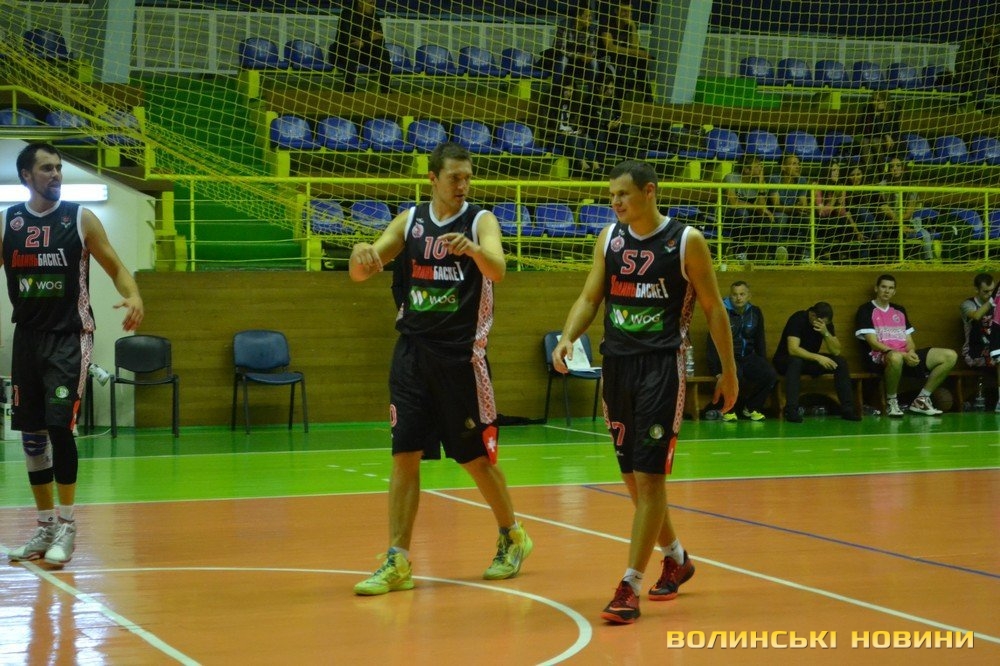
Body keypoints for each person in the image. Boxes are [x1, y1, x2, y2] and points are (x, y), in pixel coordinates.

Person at [551, 159, 737, 624]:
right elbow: (590, 297)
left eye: (623, 194)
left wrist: (729, 373)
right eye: (611, 195)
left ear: (649, 191)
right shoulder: (609, 239)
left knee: (650, 478)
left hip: (661, 367)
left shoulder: (686, 240)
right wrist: (568, 336)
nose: (615, 202)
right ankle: (676, 558)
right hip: (617, 366)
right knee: (634, 480)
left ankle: (629, 585)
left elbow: (714, 309)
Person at [348, 141, 531, 595]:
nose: (463, 185)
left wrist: (473, 251)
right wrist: (361, 253)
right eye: (454, 178)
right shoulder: (411, 220)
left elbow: (499, 269)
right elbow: (362, 270)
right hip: (412, 355)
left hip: (461, 359)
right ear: (433, 178)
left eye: (468, 177)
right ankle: (398, 559)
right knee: (404, 455)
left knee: (474, 458)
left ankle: (512, 536)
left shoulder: (480, 220)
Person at [3, 143, 144, 565]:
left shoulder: (80, 218)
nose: (56, 174)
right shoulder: (8, 222)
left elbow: (115, 266)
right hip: (27, 338)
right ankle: (45, 525)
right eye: (47, 168)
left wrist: (134, 295)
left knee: (59, 427)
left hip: (69, 337)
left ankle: (67, 524)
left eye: (59, 168)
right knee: (31, 436)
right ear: (26, 175)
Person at [855, 274, 957, 417]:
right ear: (876, 288)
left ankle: (922, 399)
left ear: (894, 291)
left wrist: (911, 353)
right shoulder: (865, 310)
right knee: (896, 357)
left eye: (891, 288)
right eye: (883, 287)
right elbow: (873, 343)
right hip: (881, 358)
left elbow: (909, 341)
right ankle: (891, 401)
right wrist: (902, 355)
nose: (887, 291)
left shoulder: (899, 310)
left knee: (950, 356)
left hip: (904, 355)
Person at [772, 301, 862, 423]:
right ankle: (791, 410)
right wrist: (818, 358)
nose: (823, 325)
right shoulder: (798, 319)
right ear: (812, 315)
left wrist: (825, 333)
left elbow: (836, 351)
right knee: (796, 362)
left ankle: (847, 410)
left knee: (840, 362)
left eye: (826, 323)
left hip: (808, 360)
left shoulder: (825, 324)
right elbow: (793, 349)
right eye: (821, 322)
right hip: (785, 360)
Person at [706, 281, 777, 422]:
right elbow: (712, 343)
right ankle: (728, 410)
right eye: (735, 294)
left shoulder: (755, 312)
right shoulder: (720, 312)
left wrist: (763, 361)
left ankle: (751, 407)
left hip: (748, 357)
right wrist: (715, 370)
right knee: (733, 374)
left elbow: (760, 339)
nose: (738, 298)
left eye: (742, 294)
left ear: (749, 296)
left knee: (769, 374)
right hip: (727, 359)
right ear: (730, 296)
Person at [329, 0, 391, 94]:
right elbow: (346, 39)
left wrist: (364, 42)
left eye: (374, 4)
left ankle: (386, 91)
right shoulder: (347, 14)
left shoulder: (375, 16)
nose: (373, 6)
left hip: (365, 53)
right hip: (344, 53)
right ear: (360, 3)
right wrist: (370, 38)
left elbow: (380, 40)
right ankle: (349, 90)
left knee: (384, 52)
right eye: (371, 3)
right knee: (352, 50)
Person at [597, 0, 654, 102]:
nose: (627, 14)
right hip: (605, 58)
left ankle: (647, 95)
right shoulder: (607, 21)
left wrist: (633, 26)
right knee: (626, 58)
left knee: (641, 57)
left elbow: (635, 47)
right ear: (616, 11)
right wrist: (635, 52)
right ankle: (619, 96)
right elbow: (609, 47)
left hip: (622, 58)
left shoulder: (629, 25)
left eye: (629, 11)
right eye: (624, 11)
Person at [876, 157, 931, 261]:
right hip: (887, 220)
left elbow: (909, 213)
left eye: (898, 166)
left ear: (903, 168)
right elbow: (883, 208)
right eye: (892, 166)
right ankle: (887, 258)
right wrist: (898, 224)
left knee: (925, 234)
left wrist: (898, 223)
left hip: (905, 220)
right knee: (887, 226)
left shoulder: (910, 186)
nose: (895, 169)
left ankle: (927, 260)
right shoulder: (882, 185)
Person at [723, 154, 775, 262]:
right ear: (746, 169)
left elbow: (761, 208)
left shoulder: (757, 182)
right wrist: (759, 208)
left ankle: (773, 255)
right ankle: (739, 252)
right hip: (727, 219)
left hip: (748, 221)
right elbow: (733, 203)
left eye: (761, 166)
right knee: (742, 213)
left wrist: (761, 184)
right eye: (757, 166)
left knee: (767, 219)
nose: (761, 169)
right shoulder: (731, 178)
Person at [959, 273, 1000, 410]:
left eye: (992, 291)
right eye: (985, 291)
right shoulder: (967, 304)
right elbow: (976, 316)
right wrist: (993, 301)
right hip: (975, 352)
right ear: (976, 289)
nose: (989, 294)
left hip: (993, 348)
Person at [814, 160, 865, 262]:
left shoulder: (840, 187)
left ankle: (841, 252)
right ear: (826, 171)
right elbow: (822, 213)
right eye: (833, 170)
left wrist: (856, 230)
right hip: (821, 222)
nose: (837, 172)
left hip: (836, 220)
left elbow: (842, 212)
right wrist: (834, 200)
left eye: (838, 170)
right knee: (833, 222)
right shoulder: (818, 186)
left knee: (846, 222)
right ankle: (826, 252)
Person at [768, 153, 809, 261]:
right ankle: (773, 254)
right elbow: (776, 206)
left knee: (806, 217)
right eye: (793, 164)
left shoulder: (802, 180)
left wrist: (802, 208)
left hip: (794, 215)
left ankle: (805, 254)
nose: (798, 167)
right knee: (781, 216)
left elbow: (803, 202)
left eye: (798, 164)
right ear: (783, 167)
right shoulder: (774, 179)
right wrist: (794, 208)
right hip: (778, 215)